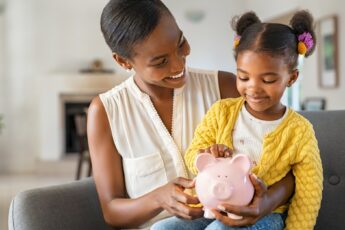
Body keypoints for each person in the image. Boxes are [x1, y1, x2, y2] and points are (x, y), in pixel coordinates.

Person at [87, 0, 295, 229]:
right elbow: (112, 211)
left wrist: (267, 203)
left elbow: (290, 160)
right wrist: (157, 198)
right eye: (161, 61)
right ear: (123, 61)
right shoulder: (106, 111)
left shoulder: (224, 87)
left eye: (181, 43)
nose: (178, 64)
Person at [152, 10, 323, 230]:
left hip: (266, 215)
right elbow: (193, 153)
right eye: (243, 77)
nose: (253, 88)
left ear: (291, 78)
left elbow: (309, 192)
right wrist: (207, 153)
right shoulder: (221, 111)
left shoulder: (300, 131)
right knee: (162, 228)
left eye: (268, 80)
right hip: (215, 206)